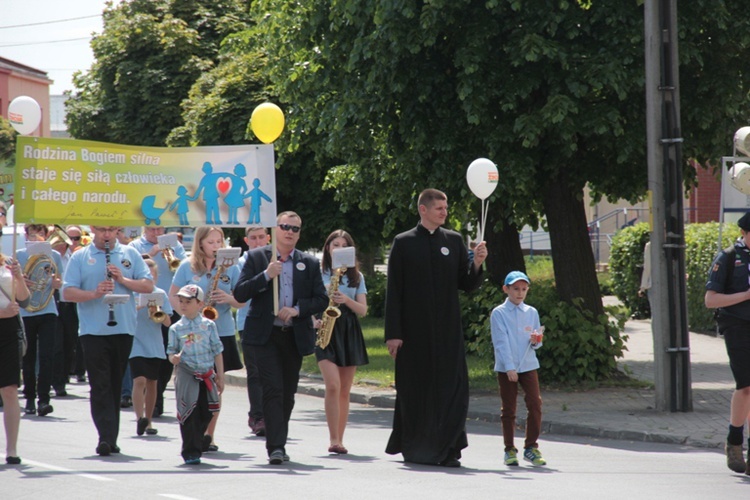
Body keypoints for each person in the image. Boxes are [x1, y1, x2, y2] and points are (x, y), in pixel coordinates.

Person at [384, 188, 487, 467]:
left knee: (452, 389)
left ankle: (450, 448)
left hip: (447, 332)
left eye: (446, 207)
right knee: (416, 389)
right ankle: (416, 447)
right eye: (439, 208)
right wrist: (393, 334)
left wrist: (476, 263)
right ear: (423, 210)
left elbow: (466, 284)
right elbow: (394, 291)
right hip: (414, 333)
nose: (444, 211)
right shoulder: (403, 242)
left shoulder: (453, 240)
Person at [234, 211, 328, 464]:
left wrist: (298, 310)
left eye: (295, 228)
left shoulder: (307, 262)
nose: (290, 232)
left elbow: (322, 298)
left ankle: (279, 439)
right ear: (275, 229)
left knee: (287, 393)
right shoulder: (256, 257)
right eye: (285, 226)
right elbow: (240, 293)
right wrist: (266, 275)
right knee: (273, 389)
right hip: (265, 336)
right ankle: (275, 446)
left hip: (292, 336)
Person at [62, 225, 154, 456]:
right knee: (100, 384)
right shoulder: (81, 256)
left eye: (111, 230)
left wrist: (123, 279)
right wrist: (94, 293)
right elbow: (67, 292)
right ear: (93, 229)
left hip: (123, 328)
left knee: (114, 383)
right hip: (93, 331)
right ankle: (105, 436)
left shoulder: (130, 253)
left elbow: (147, 285)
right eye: (102, 230)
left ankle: (111, 437)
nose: (106, 235)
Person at [169, 226, 244, 452]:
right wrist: (185, 315)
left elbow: (242, 300)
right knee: (193, 384)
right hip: (192, 332)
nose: (216, 247)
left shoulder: (232, 268)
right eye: (211, 242)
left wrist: (229, 298)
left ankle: (209, 435)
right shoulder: (186, 266)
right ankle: (195, 429)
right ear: (200, 243)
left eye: (219, 242)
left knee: (214, 386)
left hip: (220, 329)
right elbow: (173, 294)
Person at [314, 230, 368, 455]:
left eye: (344, 244)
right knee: (333, 385)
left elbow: (363, 310)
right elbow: (305, 300)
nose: (338, 247)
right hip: (325, 328)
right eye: (335, 244)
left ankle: (340, 440)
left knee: (344, 390)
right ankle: (332, 438)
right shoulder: (318, 273)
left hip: (348, 329)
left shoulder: (357, 277)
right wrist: (312, 320)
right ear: (328, 248)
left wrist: (345, 299)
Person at [705, 212, 750, 476]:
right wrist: (746, 295)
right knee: (745, 386)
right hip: (737, 326)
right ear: (745, 233)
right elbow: (711, 300)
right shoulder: (728, 257)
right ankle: (734, 441)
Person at [130, 226, 188, 417]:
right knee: (140, 369)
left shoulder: (175, 245)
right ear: (144, 229)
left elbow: (181, 268)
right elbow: (128, 267)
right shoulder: (135, 246)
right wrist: (151, 253)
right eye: (152, 229)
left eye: (160, 229)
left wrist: (169, 257)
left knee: (165, 358)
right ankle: (148, 407)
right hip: (139, 309)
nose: (156, 233)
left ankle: (156, 397)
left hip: (168, 302)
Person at [490, 271, 546, 467]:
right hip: (507, 368)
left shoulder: (531, 312)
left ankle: (531, 447)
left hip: (529, 365)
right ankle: (509, 449)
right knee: (509, 408)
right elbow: (501, 342)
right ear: (506, 289)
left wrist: (537, 340)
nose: (520, 293)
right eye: (515, 289)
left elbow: (536, 340)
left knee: (535, 403)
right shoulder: (499, 313)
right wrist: (510, 368)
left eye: (524, 289)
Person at [167, 284, 224, 465]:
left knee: (206, 412)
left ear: (199, 304)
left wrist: (220, 375)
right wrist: (173, 358)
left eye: (188, 301)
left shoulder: (209, 326)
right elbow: (170, 352)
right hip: (187, 374)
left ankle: (198, 441)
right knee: (188, 413)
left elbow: (217, 351)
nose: (183, 305)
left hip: (206, 374)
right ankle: (190, 451)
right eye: (181, 301)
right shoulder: (176, 328)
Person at [17, 224, 64, 417]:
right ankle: (29, 397)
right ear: (27, 236)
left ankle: (44, 399)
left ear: (46, 236)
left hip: (47, 309)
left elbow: (59, 281)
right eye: (33, 234)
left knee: (47, 355)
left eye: (41, 234)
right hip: (26, 310)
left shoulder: (55, 256)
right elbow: (11, 282)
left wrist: (56, 283)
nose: (37, 238)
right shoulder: (18, 255)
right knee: (28, 356)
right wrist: (21, 281)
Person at [0, 202, 31, 464]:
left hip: (8, 331)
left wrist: (19, 276)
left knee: (9, 389)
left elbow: (24, 298)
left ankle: (12, 449)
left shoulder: (8, 261)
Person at [131, 259, 173, 436]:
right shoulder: (132, 293)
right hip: (135, 341)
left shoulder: (160, 293)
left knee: (152, 382)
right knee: (139, 380)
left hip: (154, 343)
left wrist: (158, 311)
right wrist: (140, 305)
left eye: (152, 276)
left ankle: (148, 421)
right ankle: (139, 417)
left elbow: (168, 322)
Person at [236, 226, 270, 436]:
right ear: (246, 240)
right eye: (253, 238)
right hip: (247, 322)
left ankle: (271, 414)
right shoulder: (242, 262)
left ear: (267, 238)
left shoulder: (275, 259)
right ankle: (257, 416)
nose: (257, 241)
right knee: (255, 372)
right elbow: (238, 291)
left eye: (261, 237)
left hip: (270, 322)